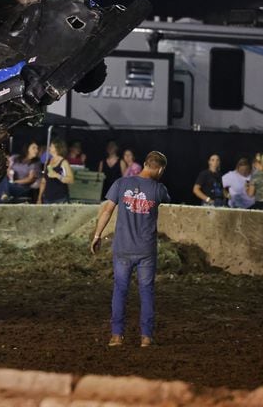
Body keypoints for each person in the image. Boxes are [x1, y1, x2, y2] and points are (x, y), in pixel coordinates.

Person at [91, 151, 170, 348]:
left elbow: (107, 210)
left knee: (120, 290)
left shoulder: (120, 184)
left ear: (144, 163)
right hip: (146, 250)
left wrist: (97, 235)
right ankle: (146, 337)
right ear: (160, 169)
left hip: (123, 248)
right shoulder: (159, 189)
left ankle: (117, 336)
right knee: (146, 291)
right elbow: (166, 200)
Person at [38, 138, 74, 204]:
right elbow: (44, 181)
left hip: (60, 198)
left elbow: (70, 180)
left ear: (57, 148)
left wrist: (57, 175)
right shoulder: (48, 161)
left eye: (51, 146)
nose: (49, 148)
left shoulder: (64, 162)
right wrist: (39, 198)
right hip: (47, 198)